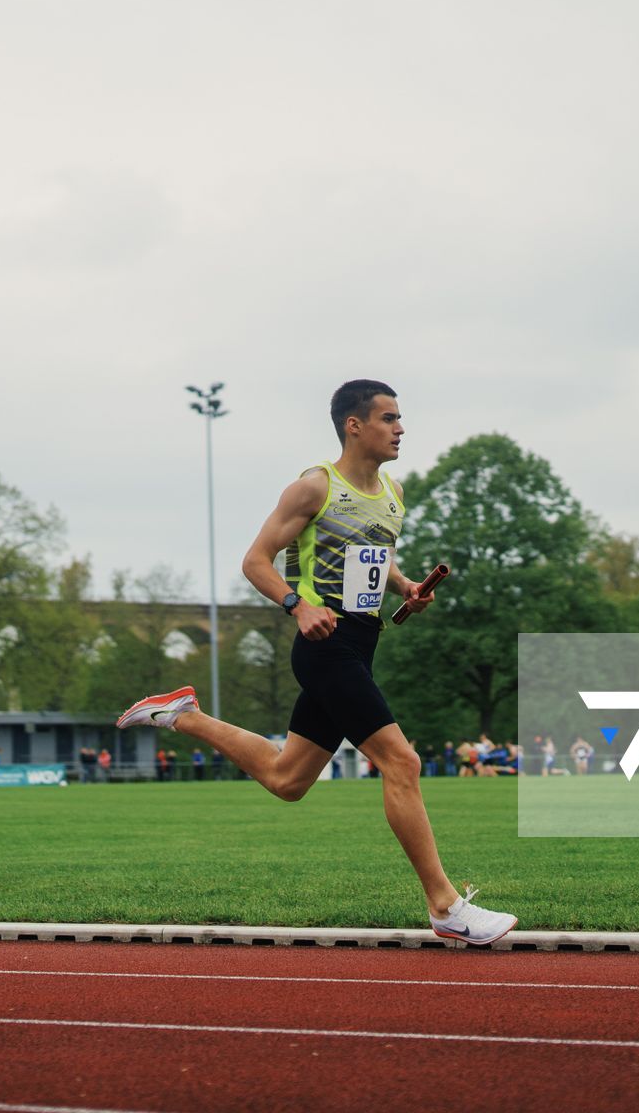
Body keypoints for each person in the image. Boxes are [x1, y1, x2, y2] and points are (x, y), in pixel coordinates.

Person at [116, 379, 516, 945]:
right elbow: (256, 561)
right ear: (355, 425)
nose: (400, 428)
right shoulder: (313, 488)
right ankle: (445, 906)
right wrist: (297, 605)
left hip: (361, 645)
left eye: (400, 419)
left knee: (288, 779)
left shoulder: (393, 495)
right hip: (324, 645)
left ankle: (183, 715)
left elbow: (373, 558)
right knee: (402, 761)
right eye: (388, 418)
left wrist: (404, 586)